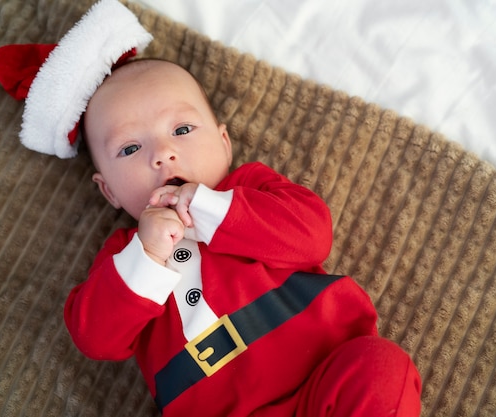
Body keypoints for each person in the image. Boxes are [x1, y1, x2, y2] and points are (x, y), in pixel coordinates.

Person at [63, 58, 422, 417]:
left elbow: (314, 234)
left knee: (383, 369)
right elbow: (94, 338)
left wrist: (210, 209)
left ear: (224, 144)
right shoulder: (126, 256)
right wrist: (149, 253)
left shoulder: (251, 190)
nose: (162, 154)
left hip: (322, 376)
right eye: (130, 149)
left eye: (182, 129)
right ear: (109, 191)